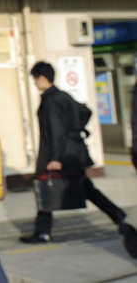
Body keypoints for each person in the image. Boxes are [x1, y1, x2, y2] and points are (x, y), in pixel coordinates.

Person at [20, 61, 137, 258]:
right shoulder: (63, 96)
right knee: (87, 189)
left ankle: (43, 232)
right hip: (74, 154)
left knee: (44, 189)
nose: (34, 83)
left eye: (35, 79)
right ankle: (119, 217)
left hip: (60, 156)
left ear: (42, 78)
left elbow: (55, 131)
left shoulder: (51, 100)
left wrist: (55, 157)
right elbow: (86, 111)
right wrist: (76, 131)